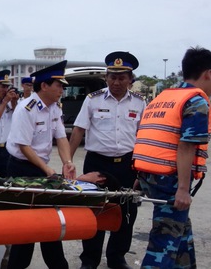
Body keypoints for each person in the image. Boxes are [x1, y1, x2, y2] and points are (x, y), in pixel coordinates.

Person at [133, 47, 211, 268]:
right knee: (163, 244)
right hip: (170, 180)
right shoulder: (196, 100)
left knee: (181, 234)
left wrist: (140, 176)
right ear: (208, 73)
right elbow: (186, 146)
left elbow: (148, 136)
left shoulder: (163, 98)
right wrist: (183, 188)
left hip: (149, 175)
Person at [68, 51, 146, 269]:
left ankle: (116, 257)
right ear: (106, 78)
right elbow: (78, 130)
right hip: (97, 163)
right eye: (112, 77)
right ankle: (89, 260)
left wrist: (142, 168)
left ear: (130, 80)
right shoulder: (93, 100)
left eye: (122, 78)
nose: (117, 82)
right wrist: (69, 160)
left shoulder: (140, 103)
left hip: (128, 164)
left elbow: (144, 137)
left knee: (127, 212)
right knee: (93, 211)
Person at [5, 60, 76, 269]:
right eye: (59, 85)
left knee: (50, 222)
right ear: (44, 85)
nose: (62, 90)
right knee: (26, 229)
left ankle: (57, 265)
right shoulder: (25, 109)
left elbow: (61, 138)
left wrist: (68, 162)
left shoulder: (54, 108)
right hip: (22, 169)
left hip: (41, 169)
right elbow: (24, 146)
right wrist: (47, 170)